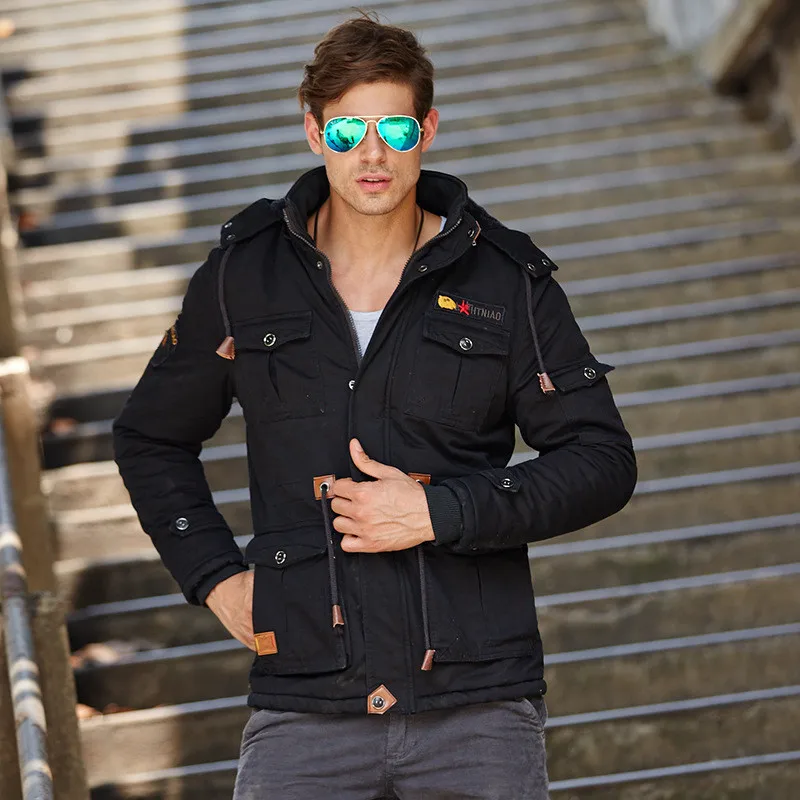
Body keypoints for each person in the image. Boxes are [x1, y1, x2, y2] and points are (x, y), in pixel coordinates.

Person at [112, 12, 637, 800]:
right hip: (306, 699)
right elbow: (149, 437)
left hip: (475, 699)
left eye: (394, 127)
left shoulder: (506, 281)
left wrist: (440, 512)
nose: (372, 152)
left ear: (428, 129)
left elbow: (601, 460)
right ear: (313, 132)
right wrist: (215, 576)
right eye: (347, 129)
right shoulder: (244, 277)